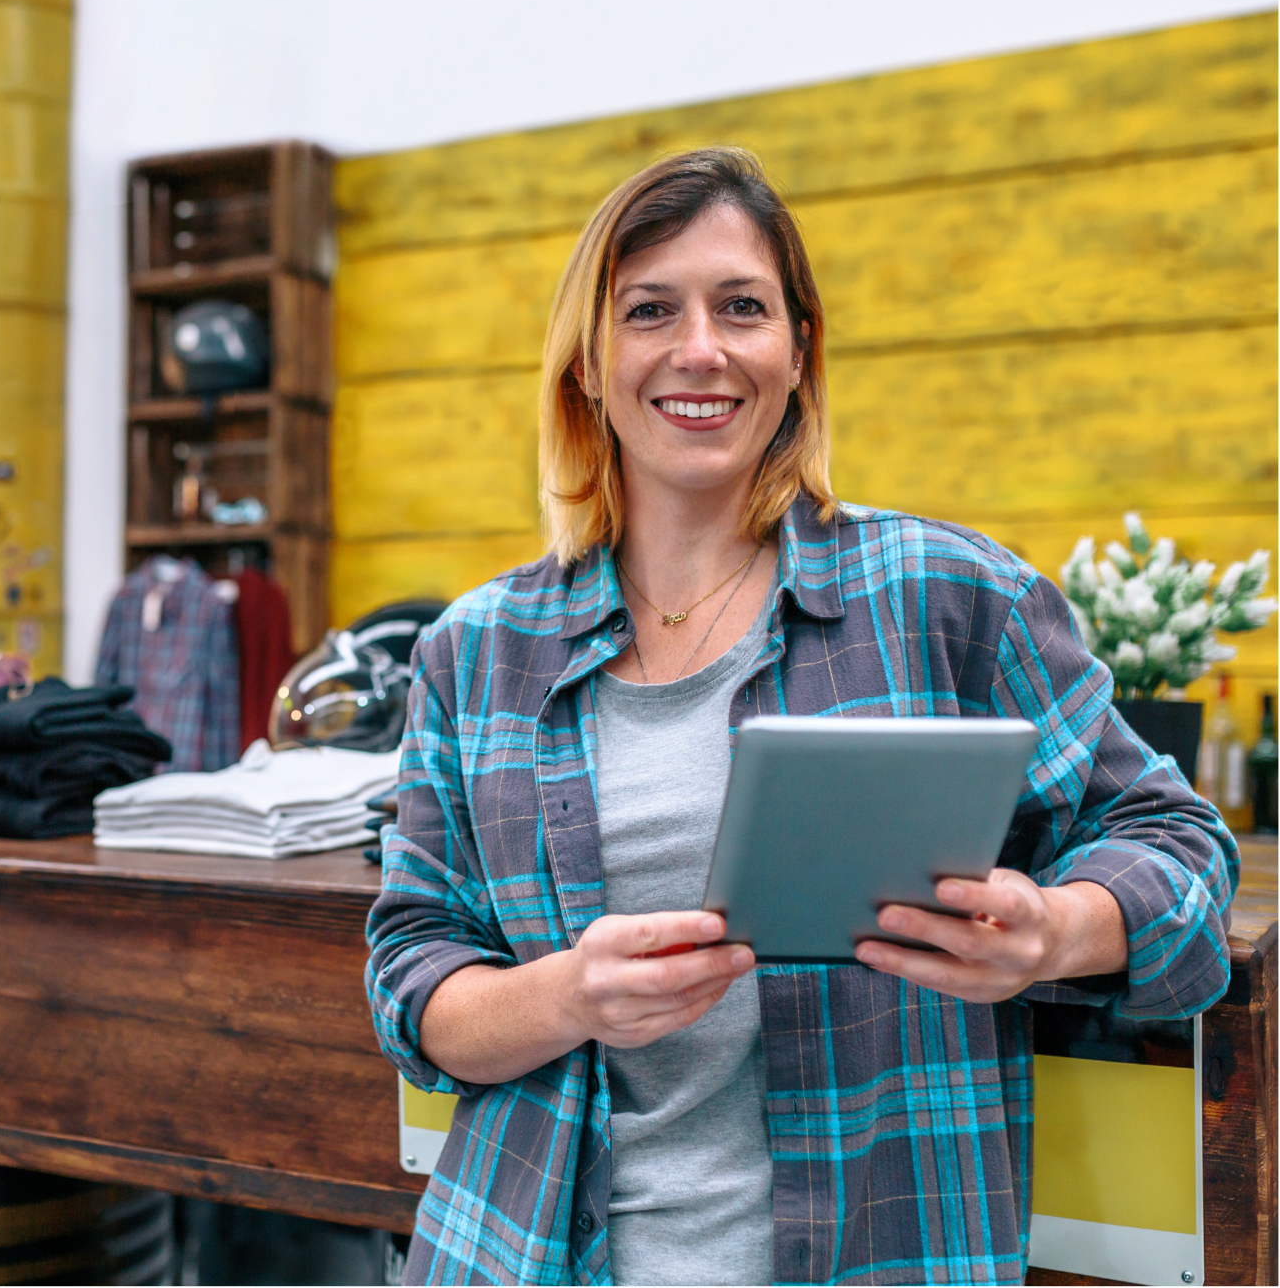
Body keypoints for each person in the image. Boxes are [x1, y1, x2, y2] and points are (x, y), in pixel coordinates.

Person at [365, 148, 1237, 1286]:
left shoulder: (949, 595)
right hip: (523, 1256)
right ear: (585, 362)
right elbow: (413, 978)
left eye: (742, 307)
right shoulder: (473, 654)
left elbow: (1179, 845)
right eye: (648, 310)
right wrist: (570, 993)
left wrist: (1053, 931)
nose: (700, 350)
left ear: (797, 351)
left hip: (880, 1253)